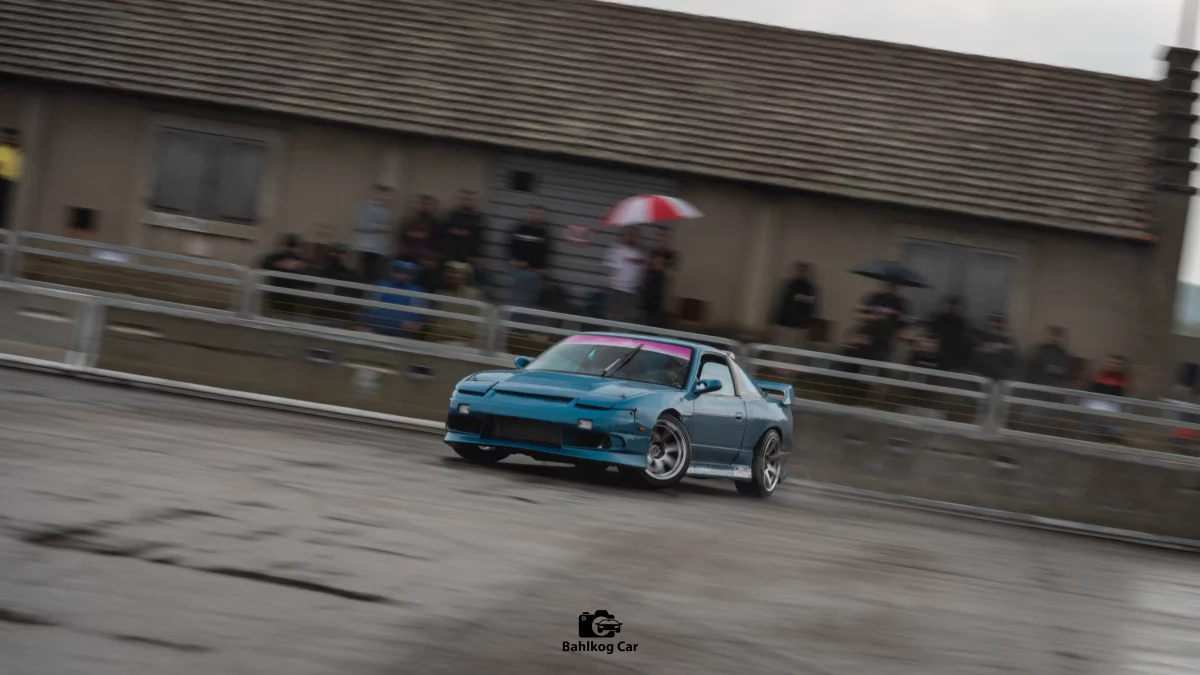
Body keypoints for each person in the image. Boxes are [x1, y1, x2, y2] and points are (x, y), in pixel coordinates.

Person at [1020, 325, 1075, 434]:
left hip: (1054, 391)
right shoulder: (1037, 351)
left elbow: (1068, 373)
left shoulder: (1064, 355)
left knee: (1050, 421)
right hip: (1037, 388)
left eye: (1056, 336)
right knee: (1032, 418)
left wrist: (1058, 371)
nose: (1054, 338)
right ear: (1047, 335)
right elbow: (1028, 367)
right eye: (1052, 335)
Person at [360, 261, 430, 339]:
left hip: (404, 336)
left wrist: (414, 327)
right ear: (391, 271)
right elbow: (366, 310)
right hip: (374, 332)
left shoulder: (417, 291)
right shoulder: (379, 285)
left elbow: (420, 320)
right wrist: (363, 326)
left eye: (407, 273)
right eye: (398, 271)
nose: (402, 275)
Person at [440, 189, 487, 289]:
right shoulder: (450, 216)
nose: (466, 201)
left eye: (469, 199)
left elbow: (479, 239)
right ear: (459, 199)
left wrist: (476, 255)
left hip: (468, 259)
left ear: (473, 201)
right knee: (447, 284)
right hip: (449, 256)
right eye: (464, 199)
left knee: (465, 285)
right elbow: (442, 234)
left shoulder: (477, 219)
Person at [507, 204, 551, 310]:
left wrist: (543, 268)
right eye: (531, 213)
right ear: (526, 214)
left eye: (538, 214)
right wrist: (514, 261)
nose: (534, 216)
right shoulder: (518, 229)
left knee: (531, 304)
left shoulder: (543, 233)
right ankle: (515, 320)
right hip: (520, 272)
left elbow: (546, 252)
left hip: (536, 274)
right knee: (518, 302)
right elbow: (509, 247)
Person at [259, 233, 313, 318]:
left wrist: (301, 267)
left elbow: (309, 280)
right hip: (280, 295)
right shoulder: (278, 258)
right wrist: (279, 264)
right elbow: (264, 264)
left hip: (283, 295)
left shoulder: (300, 261)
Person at [430, 261, 483, 345]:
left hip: (466, 342)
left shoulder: (474, 294)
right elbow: (433, 320)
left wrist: (477, 339)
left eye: (455, 273)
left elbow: (480, 319)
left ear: (464, 276)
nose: (450, 275)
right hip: (439, 340)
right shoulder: (439, 293)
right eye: (448, 272)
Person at [311, 242, 363, 327]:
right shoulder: (323, 271)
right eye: (335, 252)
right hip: (324, 314)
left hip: (339, 314)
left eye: (341, 253)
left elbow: (355, 295)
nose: (337, 255)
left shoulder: (349, 274)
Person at [351, 185, 394, 283]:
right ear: (375, 193)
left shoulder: (386, 211)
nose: (385, 197)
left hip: (380, 249)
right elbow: (356, 224)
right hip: (366, 247)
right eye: (382, 194)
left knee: (376, 276)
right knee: (365, 275)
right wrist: (380, 227)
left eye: (387, 195)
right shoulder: (365, 207)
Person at [1083, 354, 1130, 444]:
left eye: (1117, 364)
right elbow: (1090, 393)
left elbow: (1122, 397)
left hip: (1112, 409)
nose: (1114, 366)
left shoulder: (1122, 379)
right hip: (1095, 407)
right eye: (1111, 363)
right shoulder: (1098, 375)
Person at [604, 227, 647, 324]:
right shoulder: (617, 250)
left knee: (628, 320)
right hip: (617, 290)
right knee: (613, 318)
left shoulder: (641, 253)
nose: (633, 237)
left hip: (632, 291)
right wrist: (610, 286)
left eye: (636, 235)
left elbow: (642, 271)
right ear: (626, 235)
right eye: (630, 235)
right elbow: (611, 269)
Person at [771, 262, 818, 348]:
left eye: (802, 271)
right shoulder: (789, 285)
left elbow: (811, 308)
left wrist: (809, 326)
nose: (800, 273)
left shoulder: (809, 288)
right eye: (798, 270)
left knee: (796, 349)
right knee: (781, 349)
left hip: (801, 327)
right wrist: (776, 323)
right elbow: (782, 304)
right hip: (785, 325)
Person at [861, 281, 908, 360]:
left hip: (887, 337)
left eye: (893, 286)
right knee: (864, 357)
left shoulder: (900, 302)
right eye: (889, 285)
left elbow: (903, 322)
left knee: (880, 359)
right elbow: (861, 315)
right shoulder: (875, 298)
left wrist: (896, 336)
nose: (890, 288)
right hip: (869, 333)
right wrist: (875, 317)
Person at [926, 295, 973, 372]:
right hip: (934, 357)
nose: (951, 308)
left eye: (954, 305)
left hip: (952, 359)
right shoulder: (936, 320)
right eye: (949, 305)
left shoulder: (962, 324)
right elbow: (930, 337)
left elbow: (964, 343)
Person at [972, 313, 1018, 381]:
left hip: (1000, 374)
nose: (995, 324)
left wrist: (998, 347)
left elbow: (1010, 354)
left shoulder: (1006, 337)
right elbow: (978, 349)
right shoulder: (984, 335)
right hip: (983, 374)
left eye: (998, 322)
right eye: (994, 321)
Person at [399, 195, 440, 263]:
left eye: (427, 204)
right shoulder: (410, 219)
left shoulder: (434, 222)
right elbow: (403, 234)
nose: (424, 206)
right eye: (422, 204)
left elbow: (434, 238)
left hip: (425, 256)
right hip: (409, 254)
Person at [642, 249, 670, 328]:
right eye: (655, 261)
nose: (656, 263)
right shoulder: (649, 273)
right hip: (648, 303)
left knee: (654, 321)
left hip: (656, 304)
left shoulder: (660, 275)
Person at [0, 128, 21, 230]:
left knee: (5, 210)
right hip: (2, 179)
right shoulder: (2, 150)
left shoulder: (17, 152)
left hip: (11, 181)